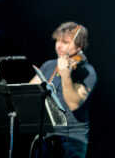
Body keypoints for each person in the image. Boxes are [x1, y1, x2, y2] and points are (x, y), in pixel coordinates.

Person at [30, 22, 97, 158]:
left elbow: (74, 104)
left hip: (71, 139)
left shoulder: (86, 71)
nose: (59, 45)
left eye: (65, 42)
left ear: (79, 47)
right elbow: (28, 94)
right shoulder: (49, 65)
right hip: (46, 135)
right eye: (57, 41)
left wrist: (66, 74)